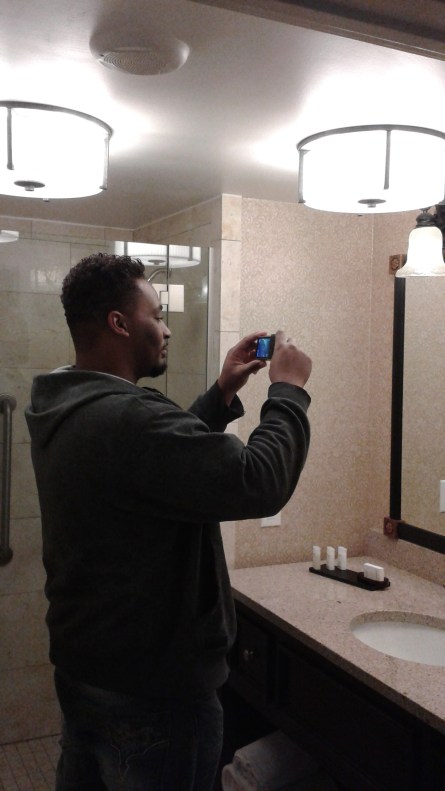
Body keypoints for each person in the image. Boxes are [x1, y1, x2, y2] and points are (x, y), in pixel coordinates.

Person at [25, 253, 312, 791]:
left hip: (88, 669)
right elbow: (261, 480)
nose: (167, 328)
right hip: (154, 696)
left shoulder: (67, 404)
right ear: (119, 323)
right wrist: (289, 392)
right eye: (156, 314)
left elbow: (151, 467)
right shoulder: (129, 419)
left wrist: (223, 390)